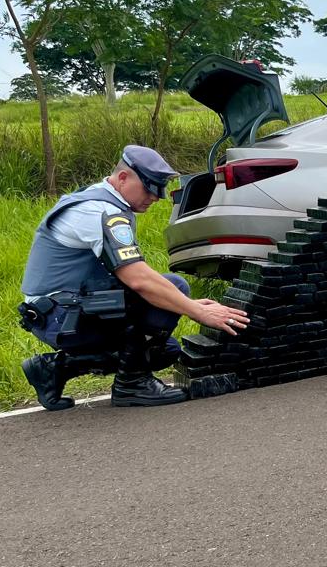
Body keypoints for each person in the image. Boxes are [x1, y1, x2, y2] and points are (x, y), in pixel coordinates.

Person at [17, 145, 250, 410]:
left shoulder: (107, 201)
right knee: (170, 291)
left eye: (160, 188)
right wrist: (196, 311)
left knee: (164, 351)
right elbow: (139, 280)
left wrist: (192, 305)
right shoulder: (100, 212)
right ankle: (132, 385)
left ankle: (52, 369)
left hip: (63, 309)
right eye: (150, 187)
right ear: (124, 177)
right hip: (57, 317)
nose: (157, 196)